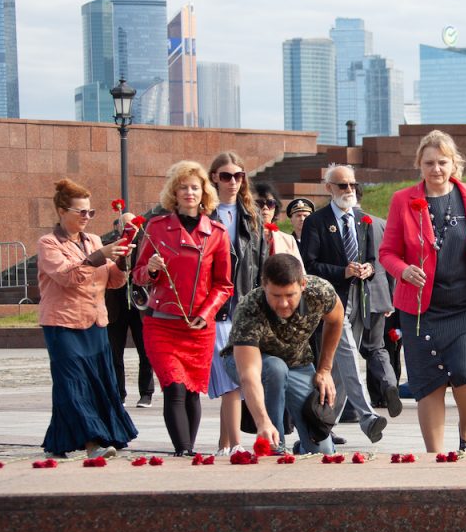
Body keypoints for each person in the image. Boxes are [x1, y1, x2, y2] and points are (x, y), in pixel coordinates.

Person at [379, 130, 466, 452]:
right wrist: (404, 270)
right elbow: (387, 252)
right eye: (429, 163)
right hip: (422, 310)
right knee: (428, 384)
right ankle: (434, 459)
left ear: (454, 164)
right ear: (419, 165)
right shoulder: (402, 200)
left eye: (442, 162)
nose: (436, 169)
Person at [133, 160, 234, 455]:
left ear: (204, 192)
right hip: (162, 323)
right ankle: (183, 450)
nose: (189, 193)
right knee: (174, 387)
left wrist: (206, 314)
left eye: (195, 187)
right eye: (183, 187)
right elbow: (137, 276)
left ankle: (188, 452)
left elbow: (224, 284)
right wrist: (150, 270)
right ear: (173, 193)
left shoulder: (216, 233)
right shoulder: (156, 228)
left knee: (192, 392)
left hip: (198, 327)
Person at [36, 178, 138, 459]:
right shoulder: (48, 243)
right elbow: (67, 276)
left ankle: (58, 441)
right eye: (81, 212)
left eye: (90, 212)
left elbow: (113, 282)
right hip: (62, 324)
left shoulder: (92, 240)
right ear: (61, 211)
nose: (86, 217)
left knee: (95, 382)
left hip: (95, 322)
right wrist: (99, 255)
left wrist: (120, 262)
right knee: (72, 383)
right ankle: (94, 443)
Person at [300, 164, 399, 439]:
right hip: (333, 301)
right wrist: (342, 272)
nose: (349, 190)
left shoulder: (362, 219)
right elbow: (309, 265)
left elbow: (372, 258)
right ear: (328, 187)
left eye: (352, 185)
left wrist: (368, 269)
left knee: (343, 367)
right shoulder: (316, 222)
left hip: (362, 299)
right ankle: (367, 416)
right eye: (342, 185)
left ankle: (321, 427)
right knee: (347, 355)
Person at [224, 253, 343, 455]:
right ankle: (274, 445)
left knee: (323, 450)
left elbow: (336, 320)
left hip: (297, 363)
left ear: (303, 285)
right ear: (264, 285)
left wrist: (325, 369)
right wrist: (263, 422)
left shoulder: (320, 292)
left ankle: (302, 446)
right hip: (251, 364)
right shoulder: (250, 308)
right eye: (276, 296)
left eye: (290, 295)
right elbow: (250, 375)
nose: (284, 304)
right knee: (275, 368)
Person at [205, 152, 268, 458]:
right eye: (226, 175)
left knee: (234, 378)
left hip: (244, 303)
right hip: (214, 306)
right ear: (214, 177)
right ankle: (232, 444)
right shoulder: (204, 214)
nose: (233, 181)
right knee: (231, 379)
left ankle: (224, 443)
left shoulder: (251, 214)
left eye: (239, 175)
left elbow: (262, 262)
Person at [105, 211, 154, 409]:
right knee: (115, 353)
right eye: (124, 225)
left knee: (145, 351)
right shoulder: (112, 245)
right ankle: (119, 393)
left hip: (139, 305)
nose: (129, 228)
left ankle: (146, 393)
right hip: (116, 304)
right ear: (118, 227)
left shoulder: (145, 244)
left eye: (133, 224)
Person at [253, 182, 302, 261]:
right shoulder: (242, 238)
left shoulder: (288, 240)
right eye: (259, 203)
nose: (265, 207)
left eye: (270, 203)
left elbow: (299, 272)